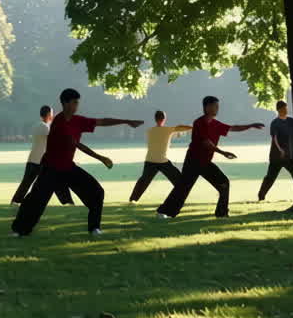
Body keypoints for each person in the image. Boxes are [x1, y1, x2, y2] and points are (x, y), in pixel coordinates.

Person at [11, 88, 144, 237]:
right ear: (65, 103)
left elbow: (102, 121)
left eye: (77, 103)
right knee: (36, 200)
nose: (77, 105)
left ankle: (94, 228)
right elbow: (76, 145)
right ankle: (19, 230)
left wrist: (126, 122)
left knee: (97, 193)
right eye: (74, 102)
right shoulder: (59, 122)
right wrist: (101, 158)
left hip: (67, 168)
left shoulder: (78, 121)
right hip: (51, 169)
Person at [156, 96, 264, 219]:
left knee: (223, 183)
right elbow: (206, 142)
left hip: (205, 162)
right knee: (183, 187)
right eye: (215, 106)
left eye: (218, 106)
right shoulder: (199, 123)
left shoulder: (216, 124)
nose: (217, 109)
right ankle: (164, 212)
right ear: (207, 107)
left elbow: (233, 128)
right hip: (193, 161)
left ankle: (222, 213)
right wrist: (223, 153)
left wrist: (250, 125)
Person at [10, 105, 75, 206]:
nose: (52, 116)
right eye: (52, 114)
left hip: (34, 159)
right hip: (40, 161)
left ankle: (16, 201)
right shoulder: (44, 127)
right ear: (49, 114)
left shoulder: (39, 126)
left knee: (28, 182)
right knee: (57, 181)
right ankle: (67, 202)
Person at [128, 110, 193, 203]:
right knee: (179, 181)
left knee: (143, 181)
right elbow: (179, 128)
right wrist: (193, 127)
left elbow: (163, 136)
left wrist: (175, 133)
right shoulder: (168, 130)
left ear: (155, 119)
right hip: (162, 161)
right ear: (164, 119)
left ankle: (132, 199)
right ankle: (179, 199)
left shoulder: (149, 131)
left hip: (150, 161)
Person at [258, 100, 293, 201]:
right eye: (283, 108)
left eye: (286, 108)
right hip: (277, 156)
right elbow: (274, 138)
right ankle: (261, 196)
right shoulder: (275, 123)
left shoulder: (291, 121)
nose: (285, 110)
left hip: (289, 155)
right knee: (271, 177)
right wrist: (280, 150)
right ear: (278, 110)